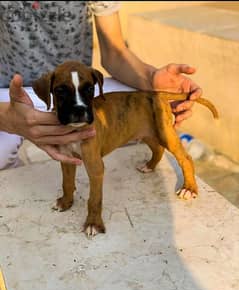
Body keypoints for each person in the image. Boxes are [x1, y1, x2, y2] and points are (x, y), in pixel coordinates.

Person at [0, 1, 202, 170]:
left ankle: (164, 132)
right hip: (8, 95)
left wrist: (152, 79)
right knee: (1, 155)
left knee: (147, 103)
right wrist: (6, 118)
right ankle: (17, 184)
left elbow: (114, 52)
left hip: (81, 94)